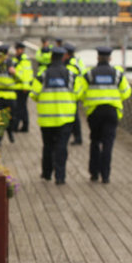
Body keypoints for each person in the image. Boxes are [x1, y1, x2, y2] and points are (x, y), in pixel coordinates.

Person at [30, 47, 84, 184]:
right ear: (63, 57)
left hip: (46, 118)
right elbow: (79, 94)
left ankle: (47, 173)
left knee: (47, 146)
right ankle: (60, 177)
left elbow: (33, 95)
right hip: (65, 118)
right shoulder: (71, 75)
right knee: (61, 147)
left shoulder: (43, 75)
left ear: (51, 57)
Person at [80, 46, 132, 184]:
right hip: (111, 112)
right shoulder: (117, 74)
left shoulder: (89, 74)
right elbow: (126, 92)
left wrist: (89, 99)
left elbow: (79, 92)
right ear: (110, 58)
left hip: (94, 112)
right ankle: (106, 175)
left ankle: (94, 173)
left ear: (97, 58)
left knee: (95, 141)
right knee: (108, 144)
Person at [63, 42, 84, 145]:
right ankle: (77, 136)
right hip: (76, 92)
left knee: (74, 116)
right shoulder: (76, 61)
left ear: (67, 54)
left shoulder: (71, 66)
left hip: (73, 93)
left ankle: (78, 137)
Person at [11, 41, 34, 132]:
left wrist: (25, 87)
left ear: (22, 50)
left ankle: (18, 126)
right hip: (18, 87)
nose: (16, 51)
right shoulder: (16, 59)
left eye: (18, 49)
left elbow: (27, 74)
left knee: (20, 108)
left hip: (23, 88)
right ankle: (24, 126)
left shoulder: (24, 60)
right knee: (22, 108)